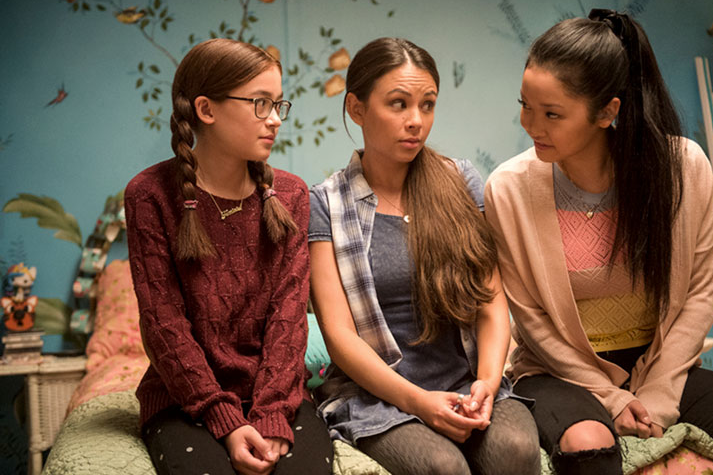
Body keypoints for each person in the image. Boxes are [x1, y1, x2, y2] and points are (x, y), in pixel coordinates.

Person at [484, 10, 713, 475]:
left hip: (663, 367)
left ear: (607, 112)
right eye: (525, 105)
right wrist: (610, 397)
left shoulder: (683, 167)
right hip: (558, 373)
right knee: (588, 442)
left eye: (552, 113)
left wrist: (658, 391)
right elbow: (531, 321)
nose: (531, 124)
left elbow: (701, 292)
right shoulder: (507, 188)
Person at [308, 37, 540, 475]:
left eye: (427, 105)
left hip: (468, 380)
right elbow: (339, 336)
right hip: (380, 395)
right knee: (441, 466)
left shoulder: (458, 180)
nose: (416, 120)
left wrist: (487, 383)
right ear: (356, 109)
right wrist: (418, 402)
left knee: (515, 449)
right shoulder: (326, 204)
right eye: (398, 104)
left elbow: (491, 301)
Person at [125, 38, 333, 475]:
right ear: (206, 109)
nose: (275, 119)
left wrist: (272, 413)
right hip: (185, 400)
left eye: (278, 104)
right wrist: (225, 420)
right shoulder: (149, 195)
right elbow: (164, 325)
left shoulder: (292, 195)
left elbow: (290, 318)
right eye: (260, 104)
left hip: (276, 397)